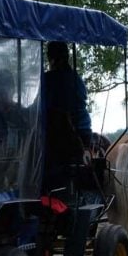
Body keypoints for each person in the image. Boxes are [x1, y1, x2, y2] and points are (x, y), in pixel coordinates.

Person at [42, 41, 92, 190]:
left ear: (52, 59)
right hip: (84, 132)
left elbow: (43, 106)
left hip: (64, 134)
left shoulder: (49, 79)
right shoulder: (77, 78)